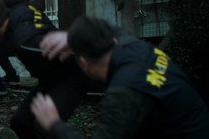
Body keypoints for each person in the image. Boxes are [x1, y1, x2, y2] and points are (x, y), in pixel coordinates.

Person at [30, 15, 209, 139]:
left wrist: (54, 124)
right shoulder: (132, 44)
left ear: (83, 62)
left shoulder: (123, 91)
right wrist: (72, 37)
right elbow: (113, 30)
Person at [0, 0, 90, 138]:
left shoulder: (24, 42)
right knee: (20, 122)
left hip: (72, 77)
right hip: (51, 78)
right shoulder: (23, 9)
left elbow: (71, 50)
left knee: (45, 127)